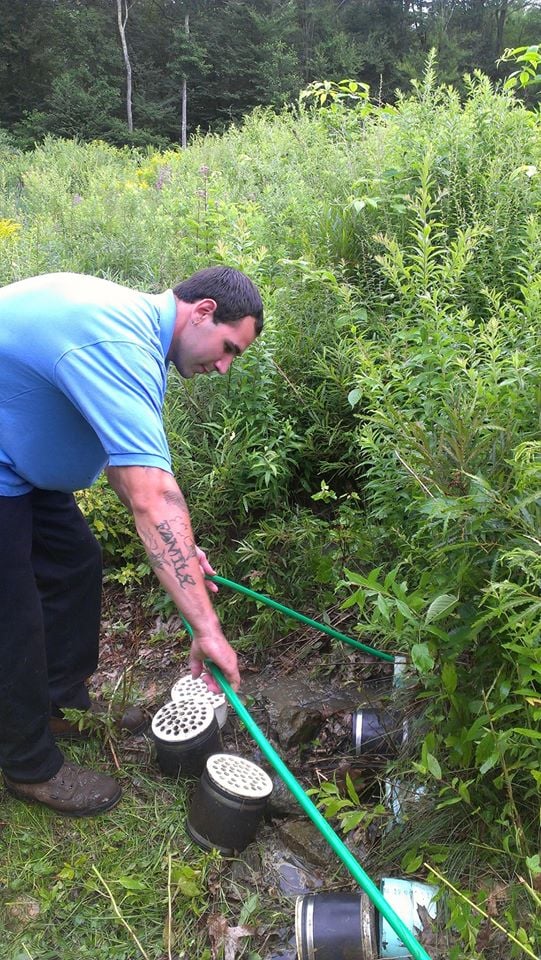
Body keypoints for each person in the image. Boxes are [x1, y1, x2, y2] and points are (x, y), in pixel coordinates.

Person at [0, 266, 263, 817]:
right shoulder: (119, 343)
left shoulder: (141, 339)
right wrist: (206, 628)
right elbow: (152, 499)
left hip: (19, 464)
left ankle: (56, 704)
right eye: (228, 348)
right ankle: (28, 765)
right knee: (13, 610)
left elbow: (127, 473)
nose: (223, 365)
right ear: (204, 311)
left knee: (75, 563)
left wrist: (183, 556)